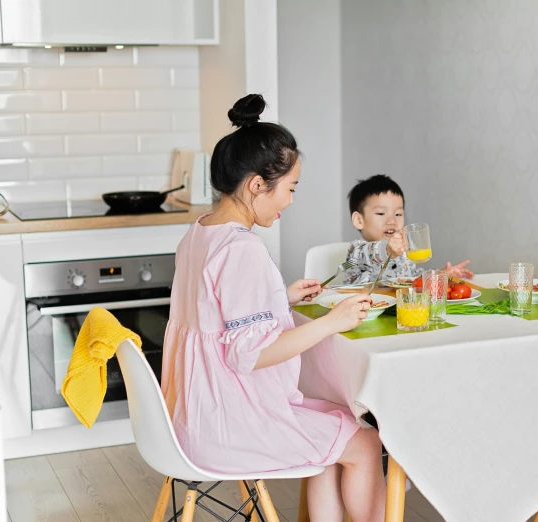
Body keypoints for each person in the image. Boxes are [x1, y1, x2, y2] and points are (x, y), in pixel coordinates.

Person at [161, 94, 385, 521]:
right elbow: (250, 354)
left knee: (335, 431)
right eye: (290, 188)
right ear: (256, 185)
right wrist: (332, 322)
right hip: (230, 426)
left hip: (193, 418)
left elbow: (211, 314)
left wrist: (278, 298)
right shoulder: (242, 249)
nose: (291, 200)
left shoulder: (199, 234)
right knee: (364, 442)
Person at [345, 174, 474, 284]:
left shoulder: (403, 254)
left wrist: (441, 275)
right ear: (359, 220)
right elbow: (372, 253)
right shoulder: (357, 251)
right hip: (364, 311)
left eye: (398, 214)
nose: (392, 221)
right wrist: (387, 249)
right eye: (381, 213)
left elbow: (415, 280)